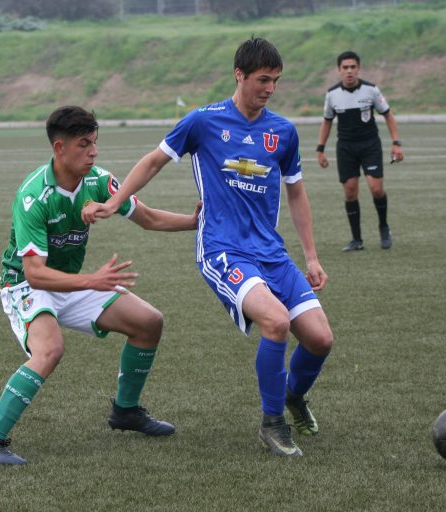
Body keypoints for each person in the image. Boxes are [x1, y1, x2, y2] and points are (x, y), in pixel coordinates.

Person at [82, 38, 334, 458]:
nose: (270, 88)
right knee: (274, 322)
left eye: (275, 81)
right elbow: (152, 161)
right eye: (262, 80)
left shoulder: (282, 132)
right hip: (222, 249)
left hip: (271, 251)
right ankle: (272, 424)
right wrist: (115, 200)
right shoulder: (203, 121)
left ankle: (291, 397)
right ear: (239, 75)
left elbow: (296, 194)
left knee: (320, 340)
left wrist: (310, 255)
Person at [0, 106, 200, 465]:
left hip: (72, 284)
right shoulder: (34, 197)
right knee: (49, 350)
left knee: (149, 322)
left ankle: (125, 412)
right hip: (26, 287)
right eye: (84, 145)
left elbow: (148, 217)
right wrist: (92, 280)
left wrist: (194, 222)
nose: (94, 152)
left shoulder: (99, 181)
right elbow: (34, 274)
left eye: (95, 143)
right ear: (59, 148)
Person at [316, 51, 403, 252]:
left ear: (358, 69)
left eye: (352, 67)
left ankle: (383, 227)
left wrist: (396, 142)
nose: (349, 71)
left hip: (370, 145)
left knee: (376, 189)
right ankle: (357, 239)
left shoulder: (371, 90)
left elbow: (388, 115)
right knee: (350, 191)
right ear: (339, 70)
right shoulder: (332, 94)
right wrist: (320, 149)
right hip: (346, 147)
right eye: (345, 67)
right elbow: (327, 122)